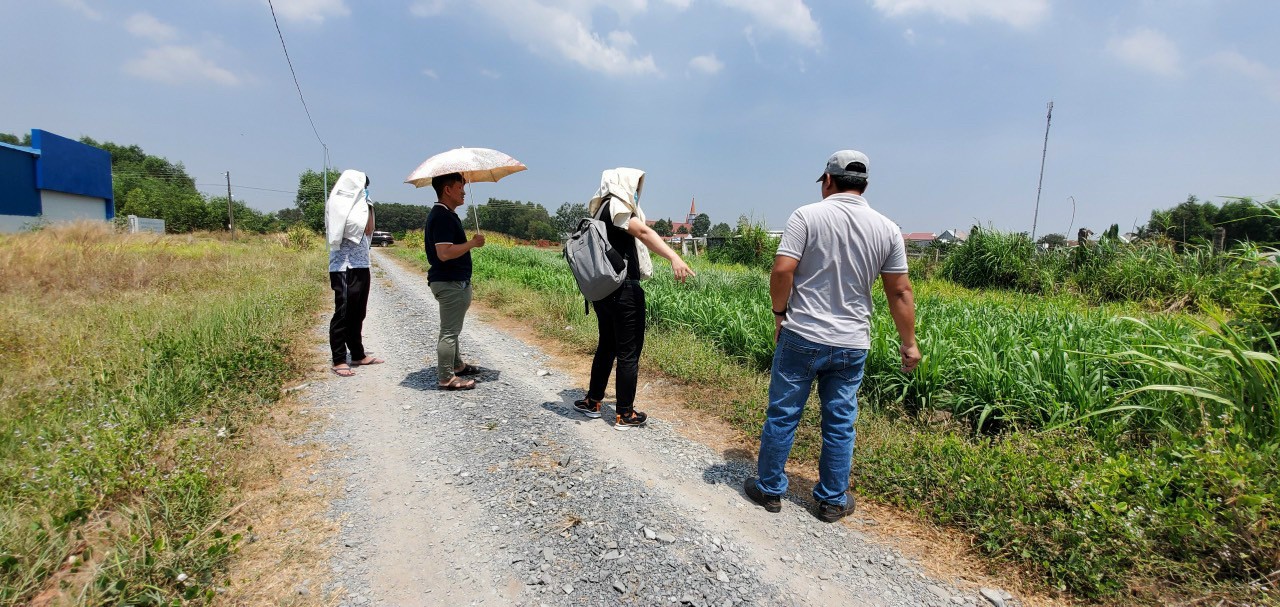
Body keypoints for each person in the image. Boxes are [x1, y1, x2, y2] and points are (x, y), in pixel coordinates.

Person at [744, 150, 921, 522]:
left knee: (783, 413)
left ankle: (770, 489)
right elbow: (900, 291)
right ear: (865, 184)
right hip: (852, 342)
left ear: (827, 180)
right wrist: (909, 343)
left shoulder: (806, 216)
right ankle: (831, 499)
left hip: (802, 334)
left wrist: (780, 314)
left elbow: (781, 271)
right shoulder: (887, 229)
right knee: (840, 420)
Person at [572, 168, 695, 430]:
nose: (638, 193)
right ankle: (624, 414)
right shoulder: (617, 206)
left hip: (603, 291)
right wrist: (674, 257)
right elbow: (644, 233)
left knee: (607, 345)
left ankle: (593, 401)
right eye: (635, 186)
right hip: (623, 288)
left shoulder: (600, 208)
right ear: (624, 184)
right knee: (629, 351)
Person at [424, 172, 485, 390]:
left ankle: (457, 365)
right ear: (447, 189)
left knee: (453, 328)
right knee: (449, 332)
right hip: (450, 282)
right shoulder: (442, 216)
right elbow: (444, 253)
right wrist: (472, 244)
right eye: (460, 187)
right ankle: (446, 377)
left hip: (452, 281)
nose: (464, 192)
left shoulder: (446, 214)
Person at [326, 170, 384, 377]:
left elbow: (368, 229)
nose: (365, 191)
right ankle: (339, 359)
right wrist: (363, 206)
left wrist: (367, 205)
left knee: (358, 312)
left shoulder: (362, 205)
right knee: (343, 312)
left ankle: (358, 354)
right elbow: (352, 229)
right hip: (343, 266)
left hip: (361, 264)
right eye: (362, 187)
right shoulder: (338, 205)